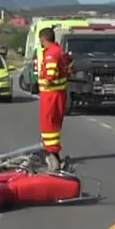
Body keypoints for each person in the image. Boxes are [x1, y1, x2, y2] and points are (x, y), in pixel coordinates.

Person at [37, 27, 71, 172]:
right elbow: (71, 66)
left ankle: (52, 155)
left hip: (50, 95)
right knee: (55, 126)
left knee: (48, 126)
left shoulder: (51, 54)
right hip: (60, 94)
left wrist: (42, 81)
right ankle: (55, 152)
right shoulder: (61, 51)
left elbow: (50, 77)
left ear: (43, 39)